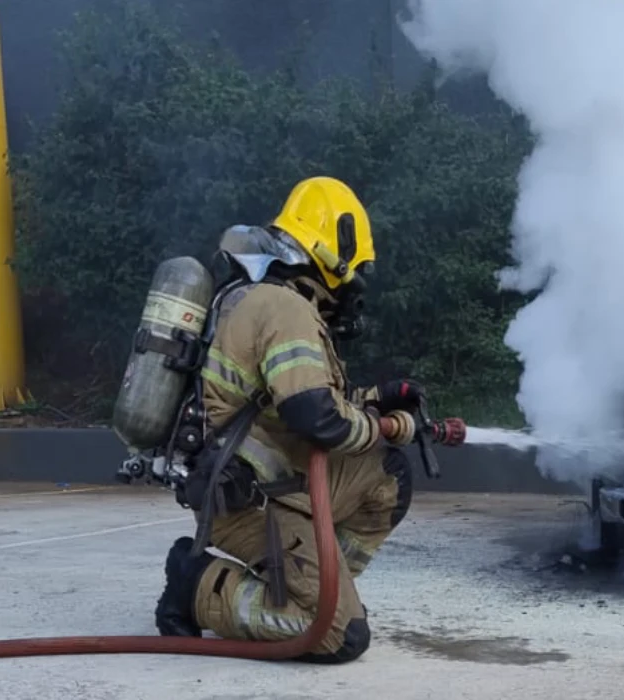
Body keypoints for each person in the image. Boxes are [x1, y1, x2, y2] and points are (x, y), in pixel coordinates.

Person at [154, 176, 426, 664]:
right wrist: (390, 425)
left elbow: (293, 402)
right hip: (251, 503)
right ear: (332, 256)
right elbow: (317, 419)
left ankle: (316, 581)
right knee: (337, 636)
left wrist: (376, 397)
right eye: (353, 273)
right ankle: (194, 586)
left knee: (387, 474)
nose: (353, 288)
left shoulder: (260, 298)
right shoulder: (284, 306)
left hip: (277, 485)